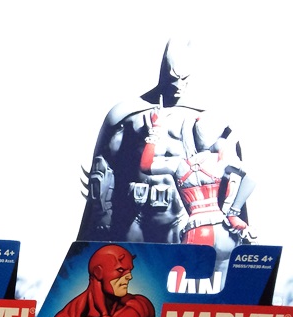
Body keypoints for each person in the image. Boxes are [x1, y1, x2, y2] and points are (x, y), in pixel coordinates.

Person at [79, 39, 229, 245]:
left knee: (182, 264)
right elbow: (104, 167)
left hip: (183, 216)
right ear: (164, 73)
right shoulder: (128, 114)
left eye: (184, 79)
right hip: (135, 214)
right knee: (130, 262)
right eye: (173, 78)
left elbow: (227, 171)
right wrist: (102, 215)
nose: (178, 85)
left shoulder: (204, 117)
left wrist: (232, 215)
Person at [140, 114, 254, 255]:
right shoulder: (221, 161)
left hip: (198, 231)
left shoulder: (178, 164)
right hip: (225, 230)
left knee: (185, 268)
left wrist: (155, 130)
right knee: (227, 269)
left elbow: (145, 166)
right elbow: (251, 177)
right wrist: (233, 214)